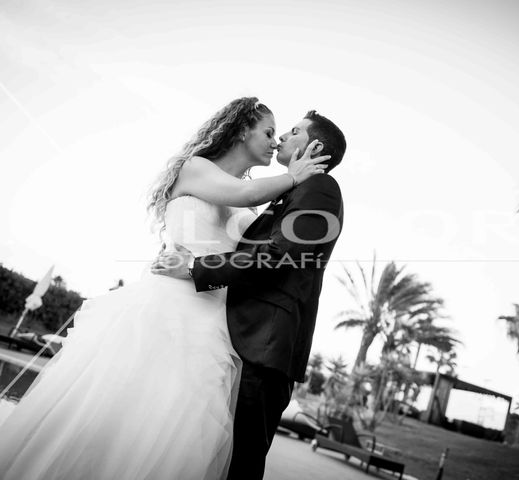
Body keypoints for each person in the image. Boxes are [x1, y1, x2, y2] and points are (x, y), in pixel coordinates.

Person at [0, 97, 329, 480]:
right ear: (242, 130)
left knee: (182, 433)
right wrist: (295, 176)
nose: (276, 142)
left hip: (217, 324)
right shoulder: (196, 169)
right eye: (270, 132)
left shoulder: (252, 206)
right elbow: (242, 195)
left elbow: (255, 254)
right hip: (166, 310)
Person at [153, 109, 346, 479]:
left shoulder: (319, 188)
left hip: (267, 343)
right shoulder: (293, 189)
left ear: (315, 145)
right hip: (241, 335)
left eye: (291, 132)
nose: (282, 139)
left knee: (241, 461)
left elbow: (278, 255)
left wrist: (194, 269)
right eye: (275, 131)